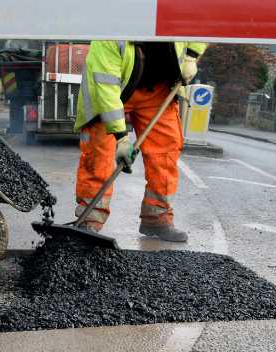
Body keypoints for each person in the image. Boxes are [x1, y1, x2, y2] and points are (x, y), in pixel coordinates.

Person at [74, 40, 207, 242]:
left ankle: (157, 218)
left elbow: (202, 21)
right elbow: (107, 92)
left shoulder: (171, 11)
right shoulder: (109, 38)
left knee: (165, 153)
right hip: (113, 92)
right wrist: (121, 138)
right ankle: (90, 220)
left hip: (159, 90)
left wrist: (191, 55)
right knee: (98, 155)